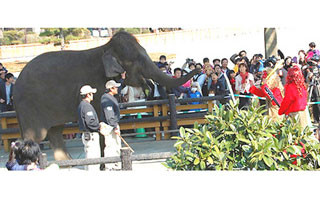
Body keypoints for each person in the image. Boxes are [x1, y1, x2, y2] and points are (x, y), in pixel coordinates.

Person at [77, 85, 102, 171]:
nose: (92, 95)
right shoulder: (87, 106)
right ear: (88, 94)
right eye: (91, 93)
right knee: (93, 159)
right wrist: (99, 126)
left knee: (88, 158)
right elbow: (90, 122)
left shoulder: (81, 105)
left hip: (86, 134)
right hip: (91, 135)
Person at [278, 66, 310, 130]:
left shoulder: (290, 87)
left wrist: (281, 111)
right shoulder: (302, 86)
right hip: (304, 113)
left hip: (294, 115)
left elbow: (287, 101)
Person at [100, 80, 122, 170]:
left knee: (116, 145)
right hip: (110, 126)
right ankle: (109, 165)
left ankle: (116, 163)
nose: (117, 89)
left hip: (113, 124)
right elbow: (109, 115)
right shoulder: (106, 99)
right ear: (111, 88)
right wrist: (114, 126)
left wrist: (122, 79)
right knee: (110, 145)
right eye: (115, 87)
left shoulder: (110, 97)